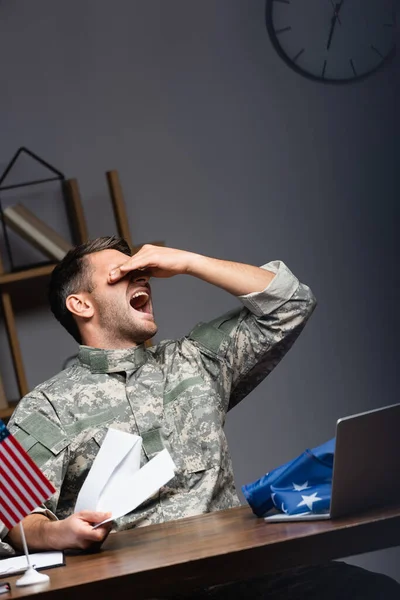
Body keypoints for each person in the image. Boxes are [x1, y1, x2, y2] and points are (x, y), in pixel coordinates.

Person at [1, 237, 398, 597]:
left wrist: (189, 261)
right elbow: (9, 520)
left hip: (252, 575)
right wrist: (57, 533)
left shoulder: (196, 359)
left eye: (143, 271)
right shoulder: (47, 406)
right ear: (81, 304)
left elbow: (290, 302)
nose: (142, 278)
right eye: (121, 274)